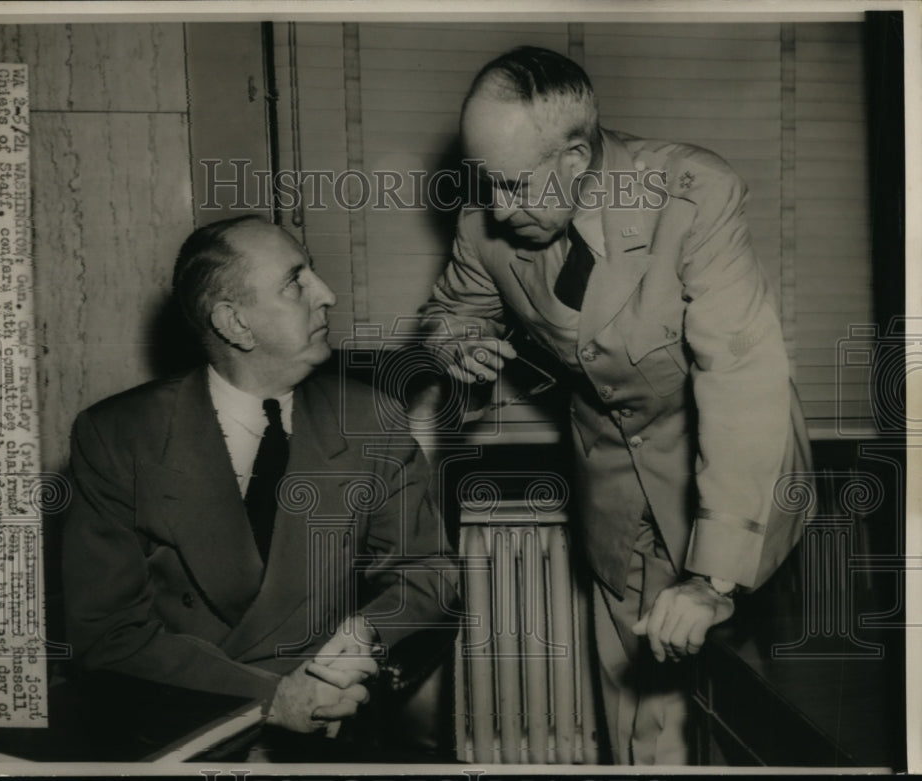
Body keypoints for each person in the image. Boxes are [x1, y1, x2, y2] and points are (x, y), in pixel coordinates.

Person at [419, 46, 811, 765]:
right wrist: (458, 343)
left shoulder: (693, 192)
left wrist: (715, 577)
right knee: (640, 724)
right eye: (485, 182)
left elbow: (741, 371)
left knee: (752, 719)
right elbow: (452, 310)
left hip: (735, 481)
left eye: (512, 184)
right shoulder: (486, 222)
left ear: (576, 160)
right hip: (612, 489)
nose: (497, 208)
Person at [63, 215, 456, 741]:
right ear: (235, 323)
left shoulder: (372, 420)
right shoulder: (118, 436)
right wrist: (270, 700)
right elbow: (107, 633)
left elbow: (427, 570)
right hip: (183, 720)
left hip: (335, 716)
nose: (328, 294)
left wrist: (366, 633)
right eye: (296, 282)